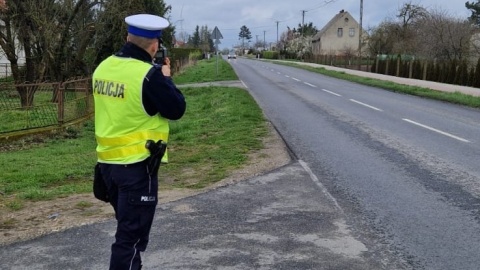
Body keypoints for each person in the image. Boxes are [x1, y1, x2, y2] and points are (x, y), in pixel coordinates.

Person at [92, 14, 186, 270]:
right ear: (155, 45)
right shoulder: (148, 76)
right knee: (130, 241)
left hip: (107, 167)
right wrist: (166, 77)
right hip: (136, 169)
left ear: (127, 37)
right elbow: (176, 109)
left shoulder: (103, 67)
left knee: (127, 233)